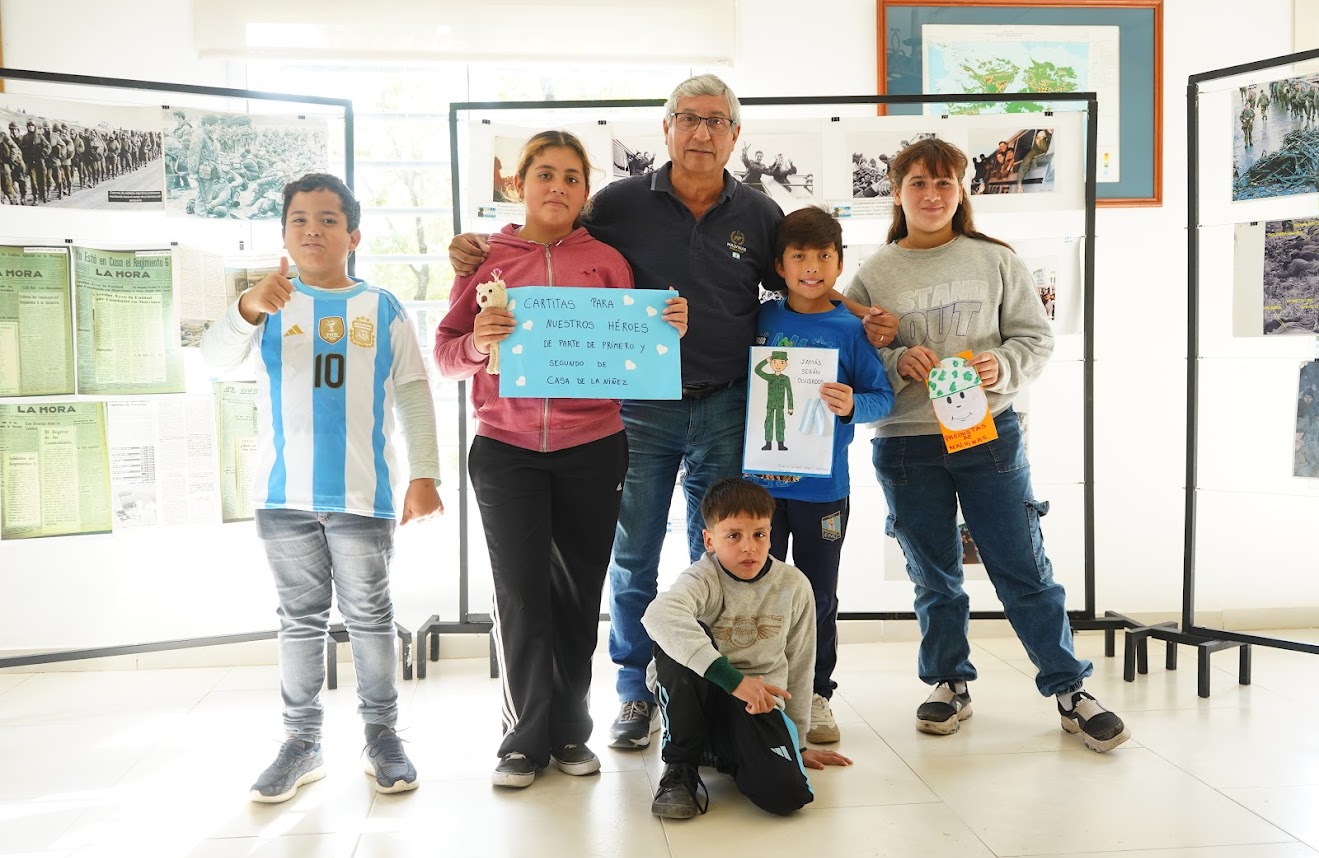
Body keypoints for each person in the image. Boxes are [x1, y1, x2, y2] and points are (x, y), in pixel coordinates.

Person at [449, 75, 899, 751]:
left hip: (727, 402)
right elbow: (554, 241)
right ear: (665, 129)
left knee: (713, 557)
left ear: (734, 135)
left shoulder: (758, 211)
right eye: (688, 118)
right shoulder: (618, 204)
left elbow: (805, 280)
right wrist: (479, 248)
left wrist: (862, 314)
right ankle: (634, 691)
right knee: (631, 557)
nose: (701, 132)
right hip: (637, 410)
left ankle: (706, 693)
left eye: (716, 121)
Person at [844, 138, 1131, 754]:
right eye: (918, 183)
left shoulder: (995, 261)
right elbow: (856, 357)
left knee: (1022, 567)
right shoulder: (872, 274)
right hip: (906, 441)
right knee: (935, 576)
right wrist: (896, 359)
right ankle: (949, 681)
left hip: (988, 436)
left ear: (962, 191)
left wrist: (1002, 366)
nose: (931, 195)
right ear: (897, 191)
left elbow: (1035, 338)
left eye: (945, 183)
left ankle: (1070, 689)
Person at [435, 130, 687, 789]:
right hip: (505, 450)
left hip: (593, 447)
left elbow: (631, 355)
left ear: (585, 191)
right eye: (544, 173)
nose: (558, 186)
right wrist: (475, 343)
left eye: (572, 177)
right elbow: (444, 351)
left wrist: (664, 334)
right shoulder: (486, 259)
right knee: (520, 597)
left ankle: (571, 732)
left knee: (578, 595)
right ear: (519, 185)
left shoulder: (605, 259)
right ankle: (522, 740)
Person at [201, 173, 443, 802]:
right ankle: (301, 743)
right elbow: (214, 359)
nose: (313, 228)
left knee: (370, 619)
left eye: (329, 219)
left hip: (365, 498)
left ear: (353, 235)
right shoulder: (267, 303)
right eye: (300, 219)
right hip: (283, 501)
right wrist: (247, 307)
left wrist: (424, 475)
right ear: (284, 232)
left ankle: (382, 735)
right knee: (300, 622)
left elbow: (415, 393)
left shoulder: (383, 307)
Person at [748, 206, 895, 745]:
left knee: (817, 596)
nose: (812, 267)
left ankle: (819, 693)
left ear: (839, 262)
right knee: (758, 591)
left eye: (823, 256)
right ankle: (763, 687)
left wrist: (853, 402)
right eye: (799, 257)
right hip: (760, 489)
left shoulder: (851, 331)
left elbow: (882, 398)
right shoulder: (759, 320)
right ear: (779, 266)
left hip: (823, 490)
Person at [642, 478, 851, 819]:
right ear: (709, 540)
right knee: (677, 642)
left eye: (760, 534)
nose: (749, 547)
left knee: (787, 796)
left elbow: (799, 665)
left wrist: (795, 741)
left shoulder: (794, 585)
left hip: (756, 703)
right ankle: (681, 765)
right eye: (733, 535)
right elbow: (658, 614)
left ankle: (718, 748)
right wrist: (734, 681)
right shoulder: (702, 577)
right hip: (701, 695)